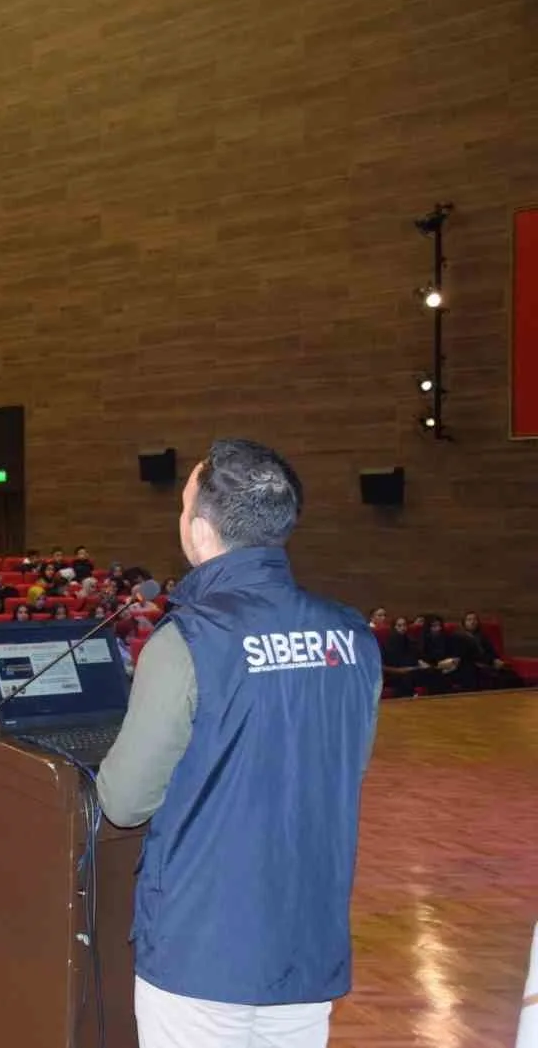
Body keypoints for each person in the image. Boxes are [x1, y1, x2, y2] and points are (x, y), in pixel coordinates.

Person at [95, 439, 381, 1047]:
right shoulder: (354, 635)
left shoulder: (186, 641)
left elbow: (123, 801)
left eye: (181, 508)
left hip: (200, 948)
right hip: (307, 939)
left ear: (200, 530)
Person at [456, 611, 521, 690]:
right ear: (464, 623)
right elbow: (468, 656)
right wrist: (491, 661)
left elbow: (492, 651)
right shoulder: (459, 638)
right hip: (474, 667)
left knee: (511, 675)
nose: (472, 622)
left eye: (475, 619)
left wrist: (496, 660)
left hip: (489, 664)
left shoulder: (482, 636)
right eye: (469, 620)